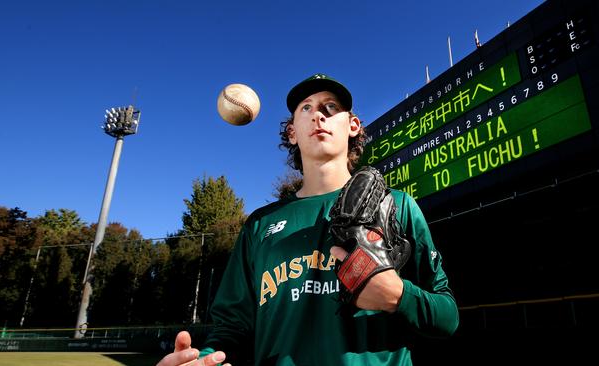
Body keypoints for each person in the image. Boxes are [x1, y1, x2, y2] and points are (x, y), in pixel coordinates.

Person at [157, 74, 459, 366]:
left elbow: (448, 316)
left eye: (331, 107)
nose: (319, 116)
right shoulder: (260, 224)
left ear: (353, 125)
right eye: (307, 108)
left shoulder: (396, 205)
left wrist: (399, 296)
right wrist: (207, 360)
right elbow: (231, 330)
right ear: (292, 132)